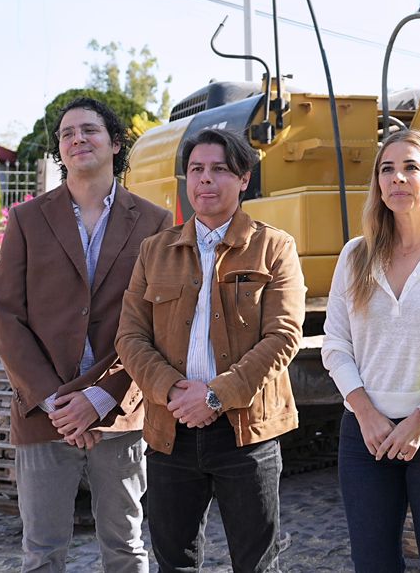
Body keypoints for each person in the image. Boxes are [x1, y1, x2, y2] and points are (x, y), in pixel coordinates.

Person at [0, 95, 171, 573]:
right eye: (67, 133)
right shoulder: (27, 220)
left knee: (125, 549)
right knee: (43, 553)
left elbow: (159, 322)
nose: (76, 139)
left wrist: (101, 398)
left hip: (120, 409)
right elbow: (7, 316)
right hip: (43, 413)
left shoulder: (155, 222)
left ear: (115, 143)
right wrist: (56, 401)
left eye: (88, 129)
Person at [116, 126, 304, 573]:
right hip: (170, 429)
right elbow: (130, 336)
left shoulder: (274, 247)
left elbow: (283, 335)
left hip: (246, 432)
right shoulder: (153, 251)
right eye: (196, 169)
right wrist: (174, 392)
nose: (205, 179)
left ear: (243, 179)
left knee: (256, 564)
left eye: (220, 169)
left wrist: (216, 395)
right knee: (175, 563)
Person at [322, 128, 420, 572]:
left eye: (410, 167)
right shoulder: (356, 255)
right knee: (373, 564)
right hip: (365, 434)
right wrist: (366, 413)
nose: (397, 178)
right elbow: (335, 344)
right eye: (386, 169)